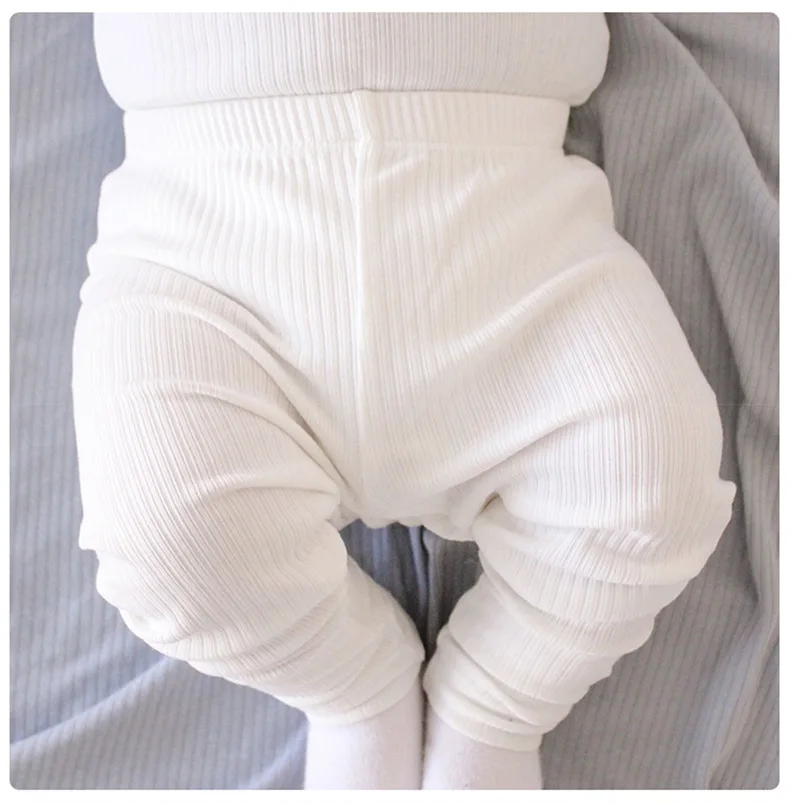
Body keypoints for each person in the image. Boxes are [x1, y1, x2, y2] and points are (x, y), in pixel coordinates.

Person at [72, 12, 736, 790]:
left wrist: (506, 701)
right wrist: (344, 685)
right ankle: (353, 685)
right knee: (167, 544)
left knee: (650, 488)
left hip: (518, 227)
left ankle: (498, 699)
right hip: (204, 242)